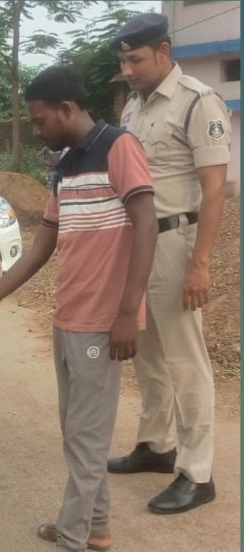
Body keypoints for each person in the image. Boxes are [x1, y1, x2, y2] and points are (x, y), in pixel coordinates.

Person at [0, 66, 156, 552]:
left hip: (102, 322)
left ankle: (71, 549)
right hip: (69, 319)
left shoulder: (118, 147)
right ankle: (97, 525)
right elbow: (42, 248)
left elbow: (147, 224)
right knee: (76, 433)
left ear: (66, 108)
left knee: (85, 439)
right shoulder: (64, 166)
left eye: (40, 120)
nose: (35, 130)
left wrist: (128, 312)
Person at [105, 12, 229, 516]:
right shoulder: (133, 108)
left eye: (136, 60)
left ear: (164, 51)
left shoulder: (198, 101)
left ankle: (197, 473)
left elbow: (215, 188)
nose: (129, 70)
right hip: (139, 247)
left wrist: (201, 261)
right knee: (150, 356)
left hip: (176, 243)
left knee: (185, 361)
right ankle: (156, 446)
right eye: (123, 62)